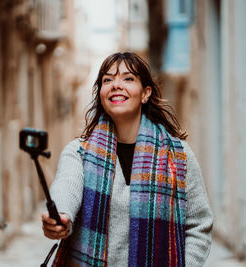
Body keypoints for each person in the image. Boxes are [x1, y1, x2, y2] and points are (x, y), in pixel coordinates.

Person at [41, 52, 213, 267]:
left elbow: (199, 224)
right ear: (101, 94)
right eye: (108, 79)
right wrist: (60, 216)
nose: (116, 84)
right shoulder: (78, 151)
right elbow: (67, 187)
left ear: (145, 93)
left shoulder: (179, 156)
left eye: (128, 78)